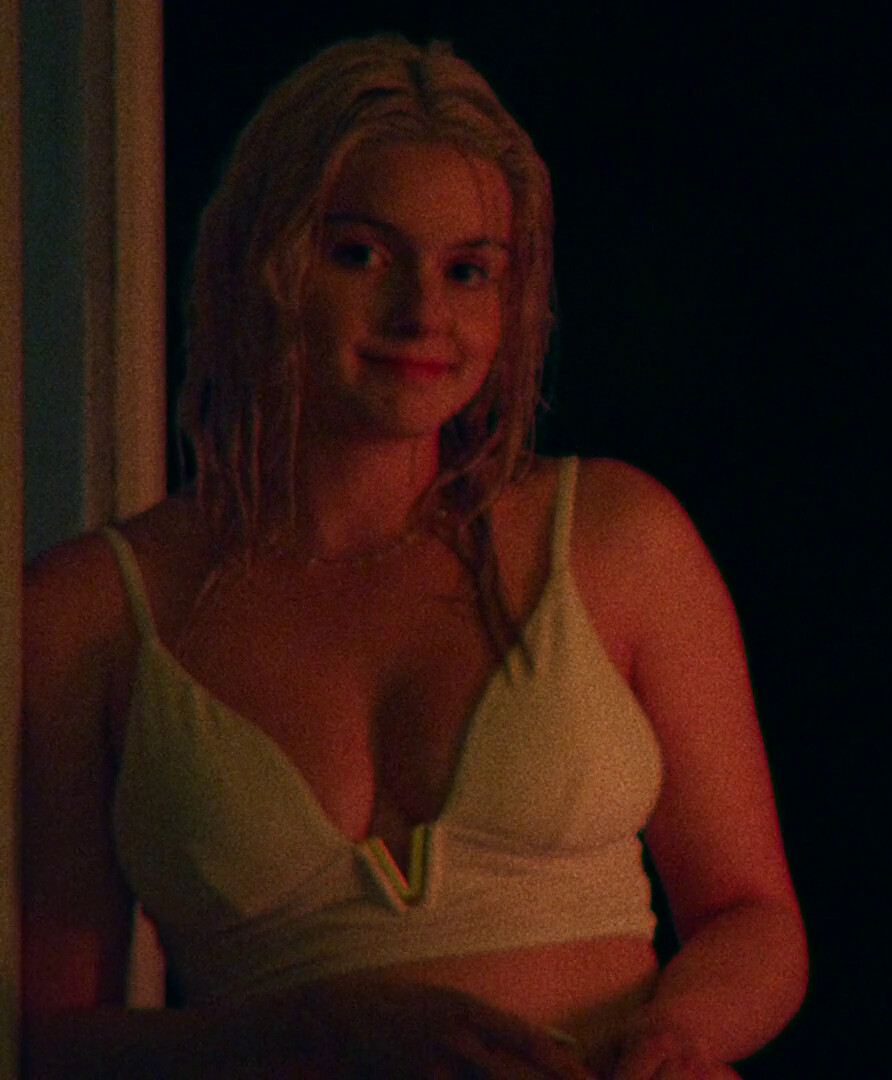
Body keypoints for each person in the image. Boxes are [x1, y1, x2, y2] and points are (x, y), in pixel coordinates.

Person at [20, 35, 807, 1079]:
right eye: (362, 254)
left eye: (468, 270)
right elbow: (49, 1044)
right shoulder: (89, 612)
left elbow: (753, 916)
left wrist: (678, 1036)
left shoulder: (615, 536)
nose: (423, 314)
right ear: (262, 261)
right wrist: (308, 1033)